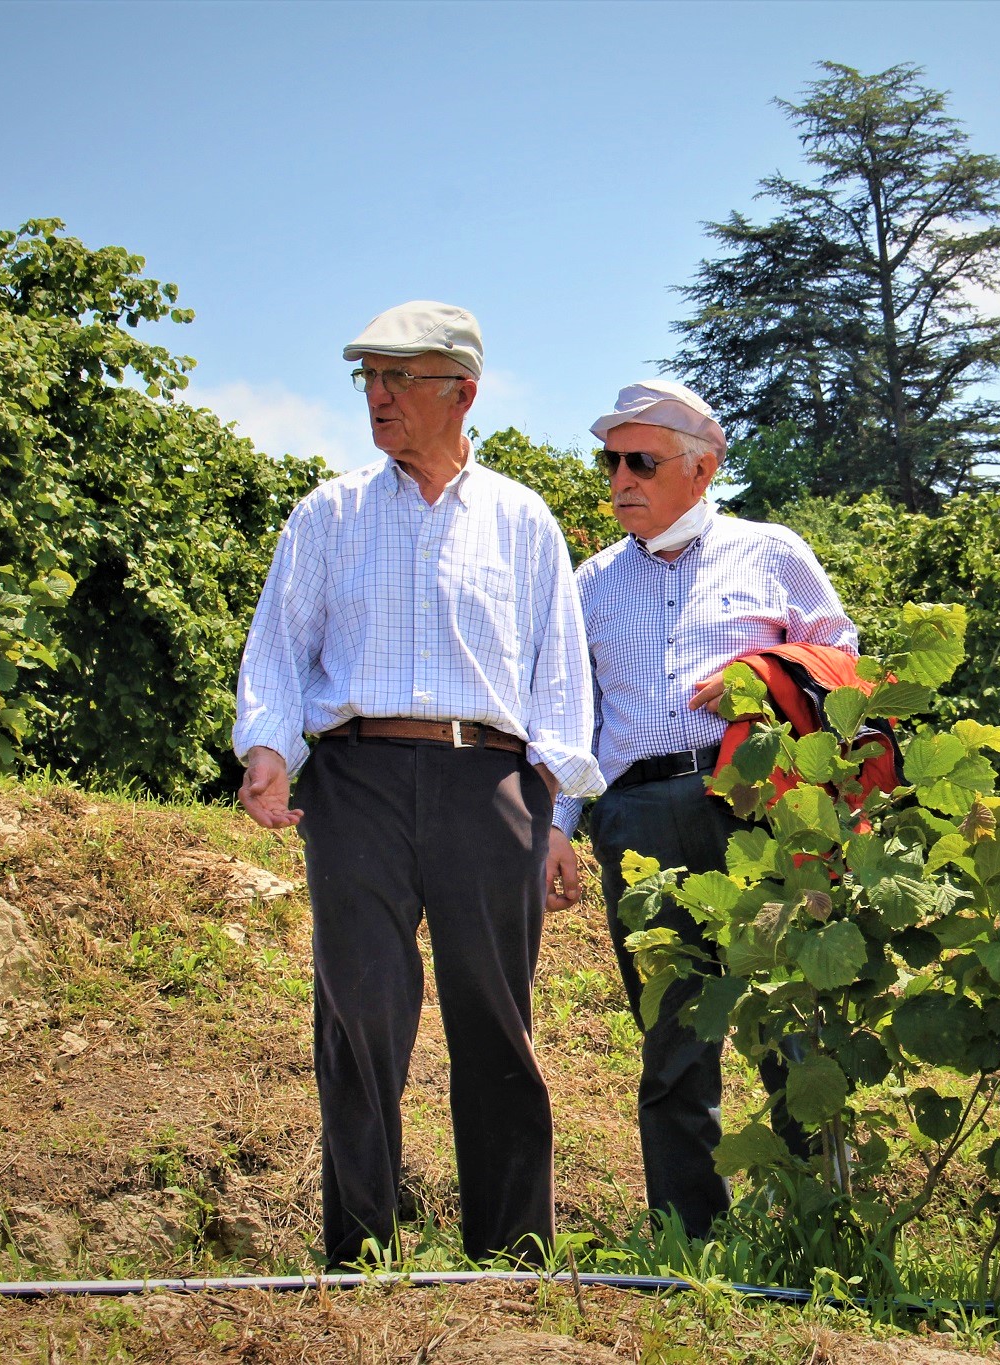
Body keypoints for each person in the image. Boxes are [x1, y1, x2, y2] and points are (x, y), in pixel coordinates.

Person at [233, 301, 603, 1266]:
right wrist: (269, 750)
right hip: (354, 779)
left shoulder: (523, 520)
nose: (380, 397)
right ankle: (358, 1253)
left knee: (496, 1015)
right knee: (361, 1011)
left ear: (463, 393)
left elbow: (559, 676)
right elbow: (277, 650)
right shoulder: (327, 513)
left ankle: (515, 1257)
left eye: (400, 379)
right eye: (369, 379)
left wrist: (559, 812)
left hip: (492, 784)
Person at [545, 379, 857, 1240]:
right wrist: (558, 832)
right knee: (674, 1039)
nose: (619, 479)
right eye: (610, 460)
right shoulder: (591, 583)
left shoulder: (772, 550)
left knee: (788, 1022)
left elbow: (843, 654)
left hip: (757, 804)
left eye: (640, 460)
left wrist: (767, 673)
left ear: (703, 466)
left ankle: (820, 1228)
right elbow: (573, 718)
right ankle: (692, 1239)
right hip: (638, 816)